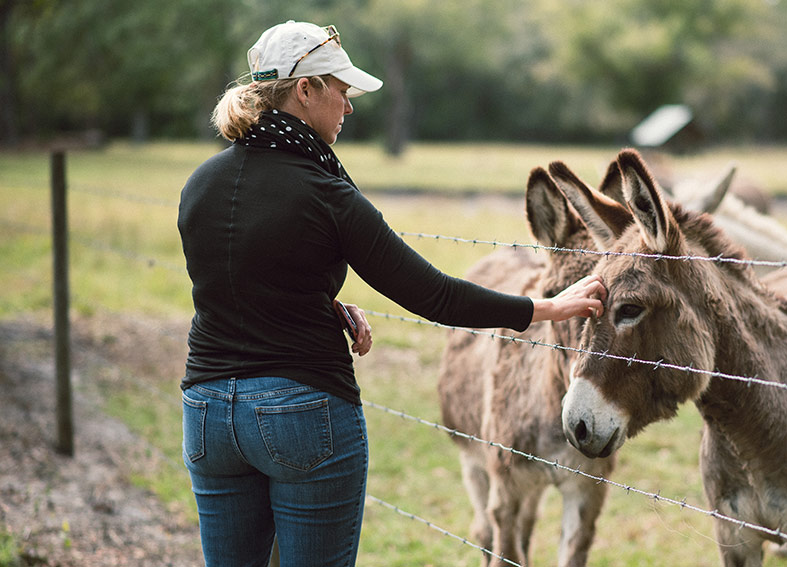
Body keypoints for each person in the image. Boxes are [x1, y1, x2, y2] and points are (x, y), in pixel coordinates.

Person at [177, 20, 606, 567]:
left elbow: (231, 282)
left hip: (208, 416)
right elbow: (434, 296)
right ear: (304, 91)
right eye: (341, 89)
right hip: (302, 412)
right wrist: (544, 308)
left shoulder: (200, 184)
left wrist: (320, 304)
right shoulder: (326, 193)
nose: (349, 106)